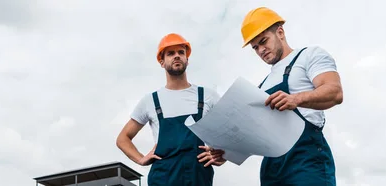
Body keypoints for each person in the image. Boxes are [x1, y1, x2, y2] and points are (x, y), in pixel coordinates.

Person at [235, 6, 343, 186]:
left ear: (280, 32)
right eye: (255, 48)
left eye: (264, 41)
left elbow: (335, 92)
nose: (261, 50)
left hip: (305, 161)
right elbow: (252, 134)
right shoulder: (261, 86)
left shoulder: (309, 56)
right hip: (271, 168)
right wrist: (225, 151)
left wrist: (296, 99)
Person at [116, 33, 226, 186]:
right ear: (162, 62)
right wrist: (141, 159)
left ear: (187, 59)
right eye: (171, 53)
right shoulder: (151, 101)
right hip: (163, 179)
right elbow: (123, 139)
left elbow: (232, 129)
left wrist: (224, 155)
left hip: (199, 178)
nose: (177, 56)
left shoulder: (208, 96)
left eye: (181, 52)